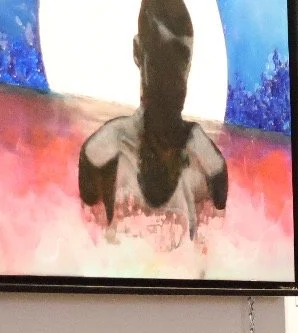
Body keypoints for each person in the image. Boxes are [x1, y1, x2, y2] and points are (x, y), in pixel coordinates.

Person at [78, 0, 228, 243]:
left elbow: (211, 264)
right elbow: (85, 252)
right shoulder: (101, 155)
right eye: (162, 59)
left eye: (181, 61)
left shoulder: (209, 167)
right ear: (138, 52)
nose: (173, 78)